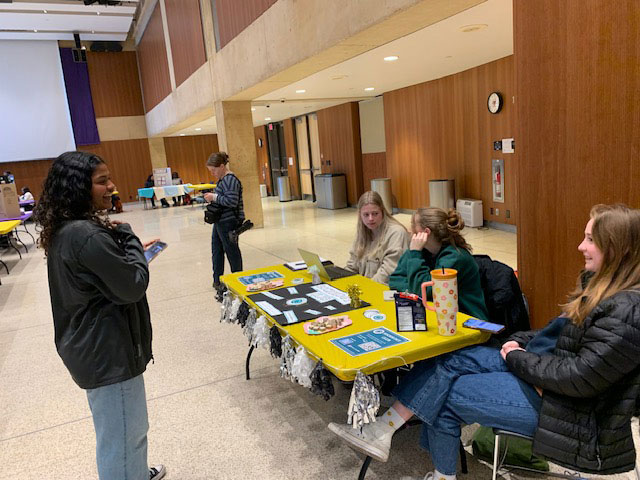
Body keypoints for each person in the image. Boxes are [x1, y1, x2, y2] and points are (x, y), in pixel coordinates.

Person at [330, 204, 640, 479]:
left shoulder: (625, 310)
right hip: (544, 374)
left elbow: (579, 377)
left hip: (569, 409)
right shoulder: (602, 287)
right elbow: (556, 335)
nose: (580, 246)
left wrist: (517, 357)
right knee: (447, 361)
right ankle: (384, 433)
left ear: (615, 248)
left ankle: (401, 445)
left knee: (444, 397)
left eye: (590, 239)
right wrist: (518, 340)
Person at [34, 151, 166, 480]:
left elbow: (109, 277)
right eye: (102, 181)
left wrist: (123, 253)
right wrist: (131, 239)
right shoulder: (86, 235)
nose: (112, 186)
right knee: (124, 438)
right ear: (78, 187)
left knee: (122, 433)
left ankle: (133, 473)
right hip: (108, 354)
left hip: (95, 349)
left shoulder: (70, 230)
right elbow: (133, 285)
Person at [389, 207, 488, 320]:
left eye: (413, 225)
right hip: (437, 314)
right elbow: (395, 280)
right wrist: (416, 288)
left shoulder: (455, 257)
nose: (410, 230)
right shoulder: (423, 250)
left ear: (426, 232)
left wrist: (415, 254)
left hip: (466, 319)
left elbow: (425, 292)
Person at [204, 152, 245, 302]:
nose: (212, 173)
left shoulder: (230, 180)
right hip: (220, 221)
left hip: (229, 221)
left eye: (213, 170)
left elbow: (232, 201)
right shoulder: (223, 180)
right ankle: (218, 280)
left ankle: (238, 279)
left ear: (222, 166)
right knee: (217, 250)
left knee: (231, 251)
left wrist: (213, 197)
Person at [345, 191, 409, 285]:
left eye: (375, 213)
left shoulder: (396, 232)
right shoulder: (363, 232)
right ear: (360, 215)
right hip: (366, 287)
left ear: (382, 212)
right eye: (366, 215)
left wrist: (366, 288)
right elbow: (352, 266)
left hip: (383, 289)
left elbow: (387, 273)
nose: (370, 218)